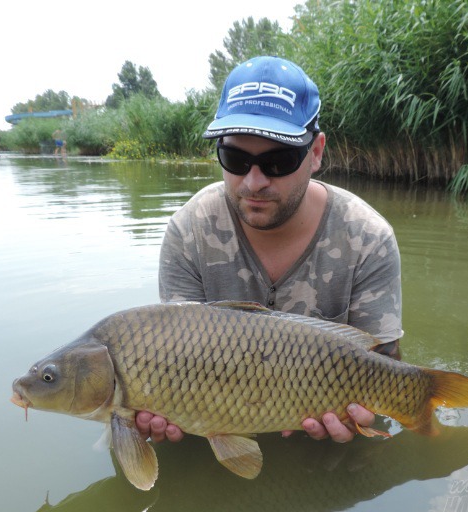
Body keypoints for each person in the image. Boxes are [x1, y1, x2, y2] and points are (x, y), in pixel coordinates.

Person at [136, 56, 403, 444]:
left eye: (277, 161)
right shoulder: (188, 231)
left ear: (315, 153)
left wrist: (365, 416)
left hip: (322, 443)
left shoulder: (368, 239)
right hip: (215, 426)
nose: (253, 181)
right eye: (235, 159)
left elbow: (386, 369)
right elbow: (175, 365)